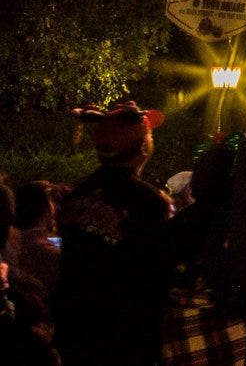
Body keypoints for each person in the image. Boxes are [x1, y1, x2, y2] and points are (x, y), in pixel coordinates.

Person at [51, 103, 174, 366]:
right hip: (123, 336)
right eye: (150, 134)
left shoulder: (79, 193)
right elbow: (155, 274)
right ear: (143, 147)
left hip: (73, 327)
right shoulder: (149, 202)